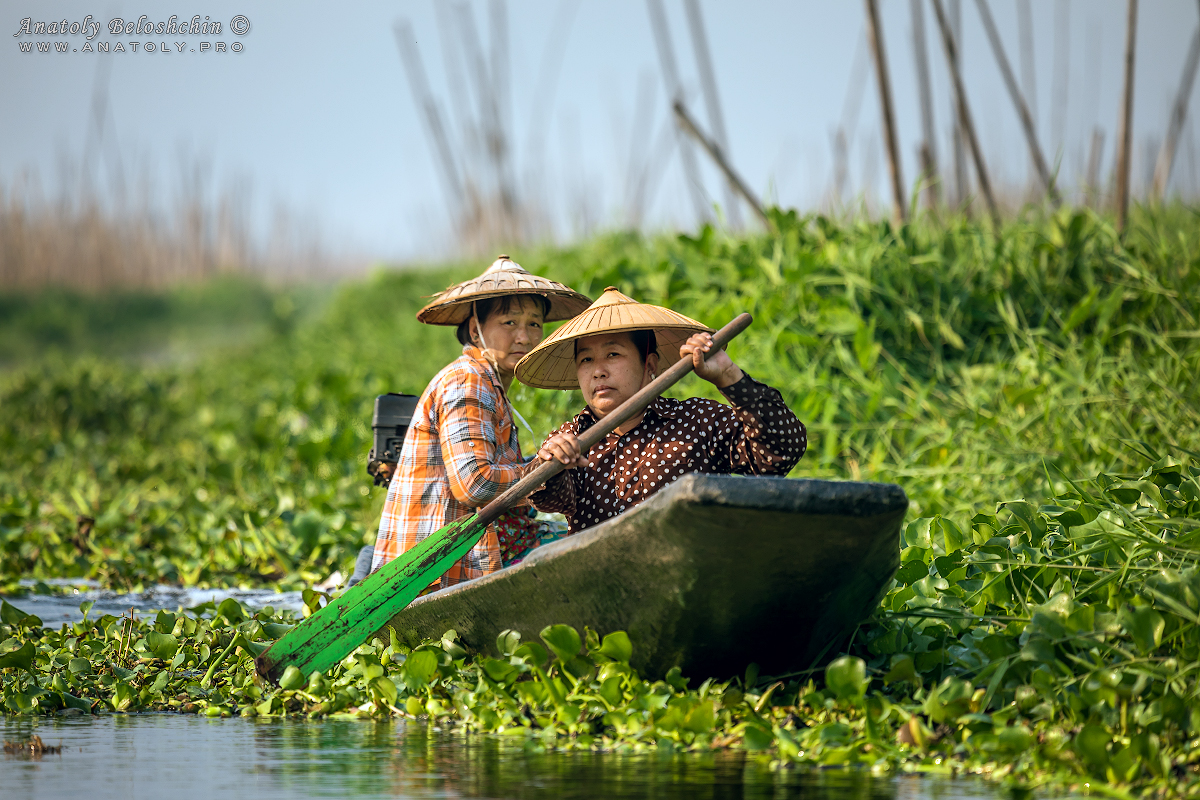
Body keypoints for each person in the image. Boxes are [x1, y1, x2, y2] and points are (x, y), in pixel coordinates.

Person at [353, 256, 590, 589]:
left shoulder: (490, 382)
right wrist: (540, 470)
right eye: (509, 323)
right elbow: (474, 483)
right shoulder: (468, 381)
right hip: (434, 571)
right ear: (476, 329)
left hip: (468, 550)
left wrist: (550, 465)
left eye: (534, 324)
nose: (524, 337)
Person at [513, 287, 807, 534]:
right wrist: (547, 465)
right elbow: (547, 499)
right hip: (605, 585)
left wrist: (727, 375)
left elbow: (780, 452)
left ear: (649, 364)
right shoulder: (572, 437)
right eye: (586, 360)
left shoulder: (696, 421)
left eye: (612, 354)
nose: (598, 371)